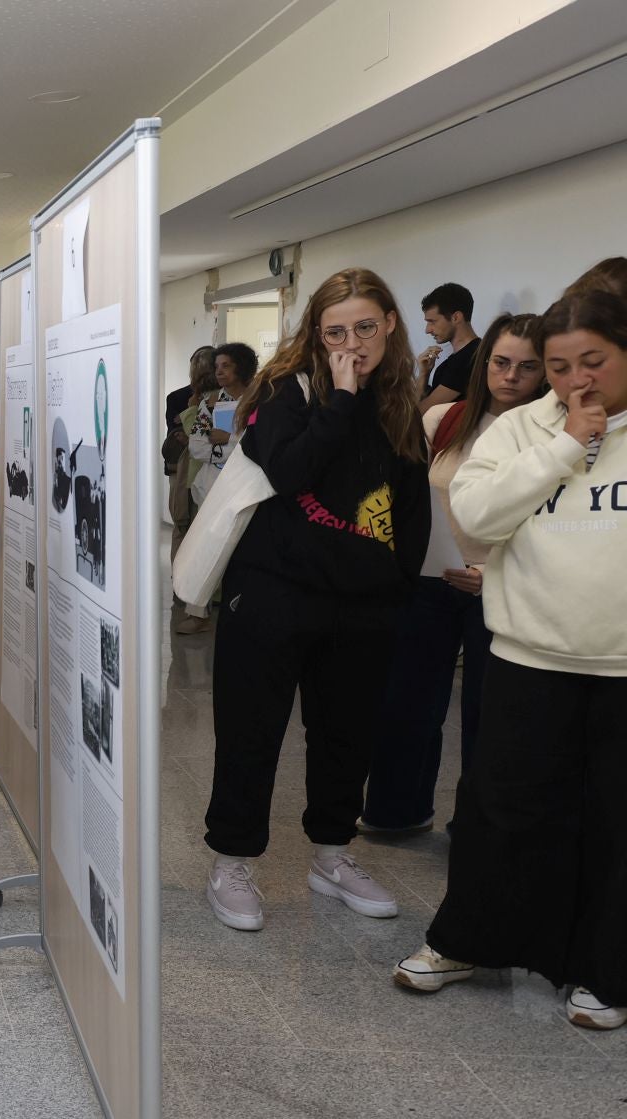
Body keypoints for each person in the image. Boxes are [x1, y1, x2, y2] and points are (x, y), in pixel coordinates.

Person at [393, 289, 627, 1032]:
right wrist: (564, 448)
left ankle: (605, 971)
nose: (574, 381)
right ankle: (465, 942)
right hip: (529, 653)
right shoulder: (522, 427)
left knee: (615, 823)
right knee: (501, 812)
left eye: (593, 361)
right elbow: (480, 513)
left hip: (621, 667)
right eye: (558, 367)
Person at [202, 268, 430, 934]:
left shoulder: (401, 402)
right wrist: (342, 399)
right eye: (335, 332)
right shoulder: (285, 389)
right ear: (315, 333)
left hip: (361, 604)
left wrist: (398, 587)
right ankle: (231, 860)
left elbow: (410, 508)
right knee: (250, 731)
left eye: (364, 327)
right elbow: (290, 470)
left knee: (346, 736)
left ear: (390, 323)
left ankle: (332, 855)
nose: (351, 344)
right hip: (273, 592)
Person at [359, 313, 546, 835]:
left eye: (526, 367)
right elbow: (405, 501)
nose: (510, 376)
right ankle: (397, 811)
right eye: (501, 363)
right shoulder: (444, 419)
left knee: (489, 717)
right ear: (484, 363)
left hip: (503, 588)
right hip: (429, 580)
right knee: (408, 707)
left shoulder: (552, 438)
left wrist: (492, 573)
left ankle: (478, 827)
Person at [174, 342, 256, 635]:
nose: (219, 372)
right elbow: (196, 447)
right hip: (211, 485)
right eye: (217, 366)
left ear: (241, 368)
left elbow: (256, 448)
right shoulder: (210, 402)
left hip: (246, 488)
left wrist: (226, 439)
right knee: (204, 549)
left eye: (226, 366)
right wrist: (225, 443)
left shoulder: (258, 401)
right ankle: (198, 612)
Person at [165, 346, 218, 575]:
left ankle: (195, 580)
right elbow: (186, 437)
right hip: (183, 467)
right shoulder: (179, 398)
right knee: (183, 522)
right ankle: (181, 577)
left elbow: (202, 438)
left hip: (209, 467)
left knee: (200, 523)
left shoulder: (222, 399)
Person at [418, 282, 480, 409]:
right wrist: (424, 373)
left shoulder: (469, 358)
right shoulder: (461, 357)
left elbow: (420, 412)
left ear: (456, 317)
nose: (427, 330)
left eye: (432, 321)